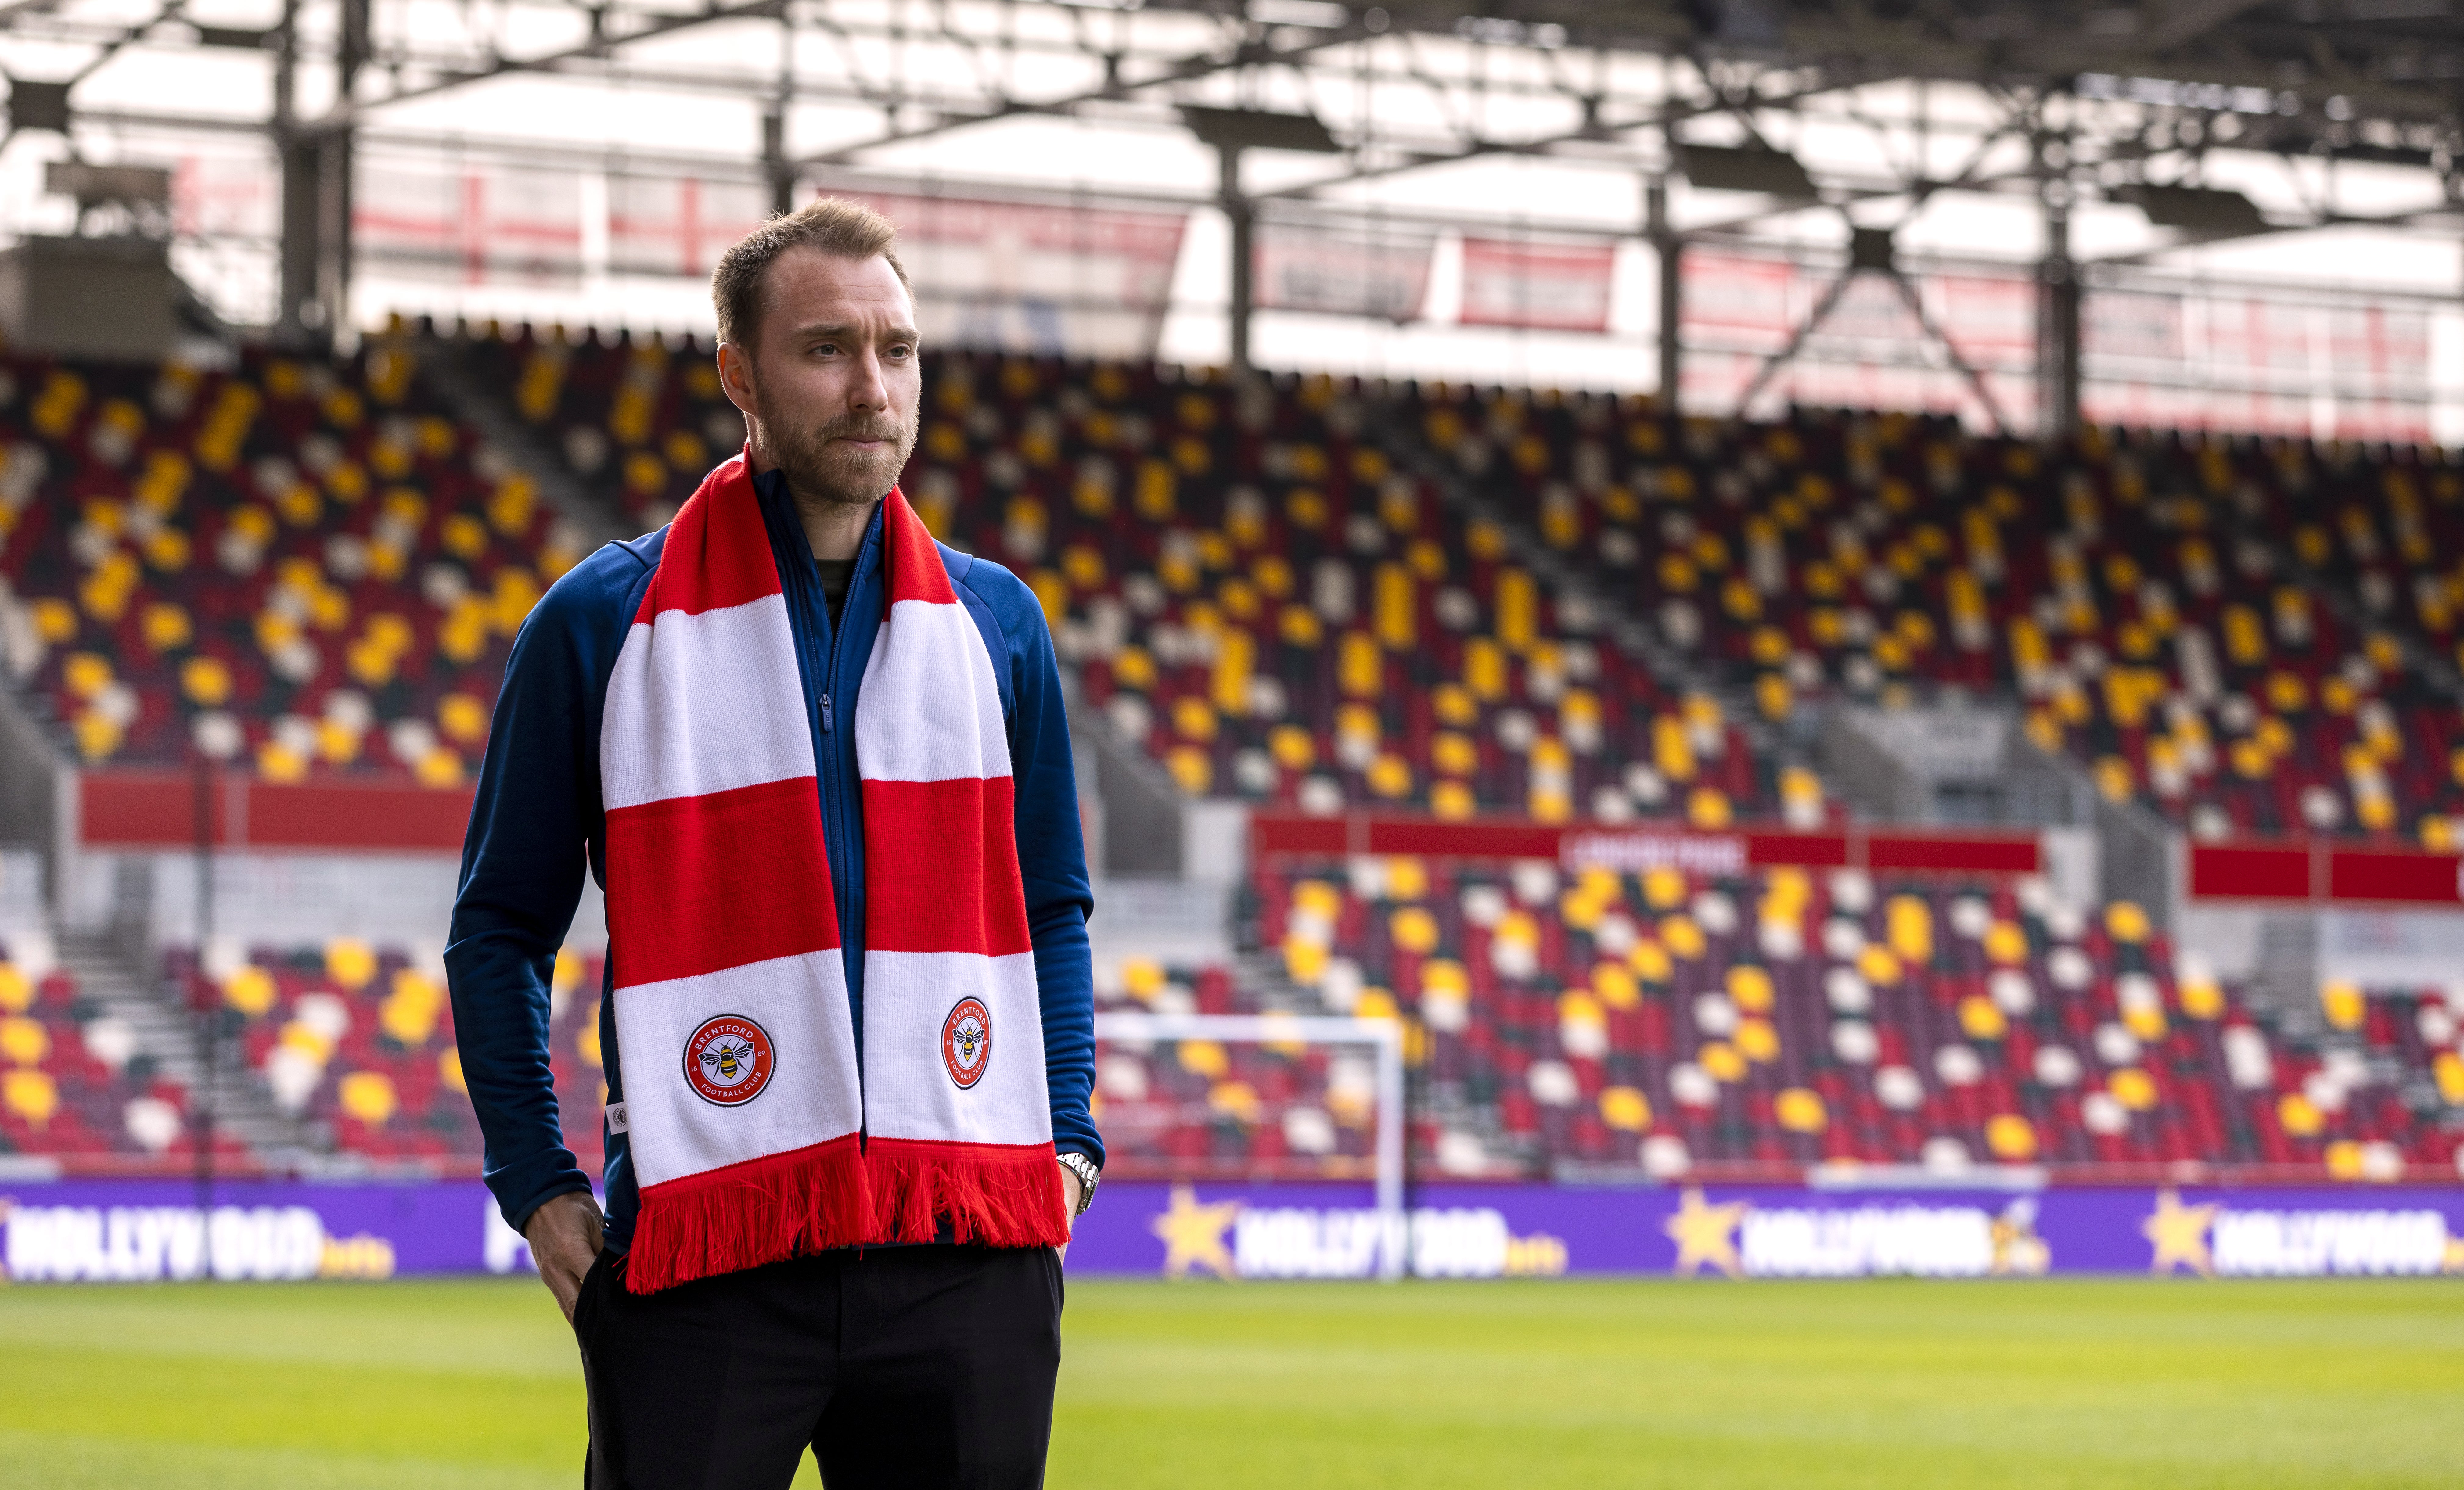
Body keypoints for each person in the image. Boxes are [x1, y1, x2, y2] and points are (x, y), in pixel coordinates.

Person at [445, 196, 1102, 1489]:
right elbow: (499, 927)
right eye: (827, 349)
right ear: (738, 374)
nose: (873, 387)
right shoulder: (601, 622)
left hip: (963, 1249)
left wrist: (1069, 1139)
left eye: (897, 349)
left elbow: (1051, 908)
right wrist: (536, 1180)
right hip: (707, 1251)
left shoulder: (997, 623)